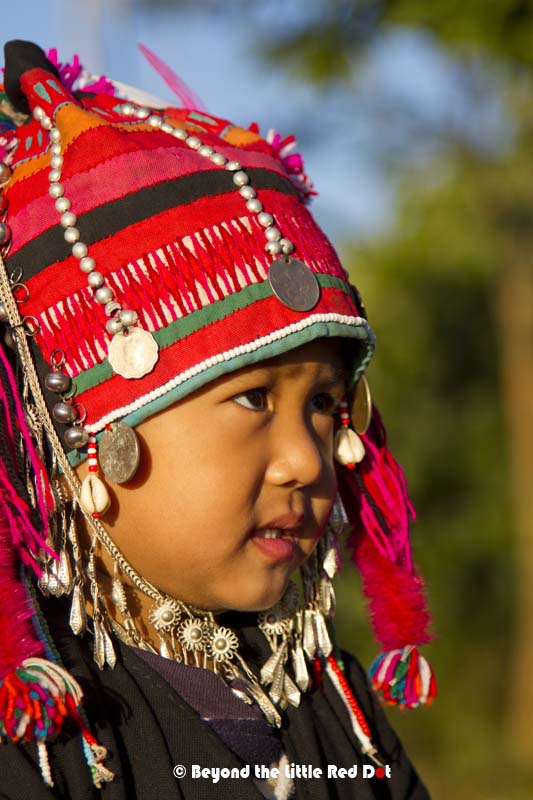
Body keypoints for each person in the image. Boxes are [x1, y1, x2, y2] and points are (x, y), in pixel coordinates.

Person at [0, 40, 436, 799]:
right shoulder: (40, 735)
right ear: (80, 440)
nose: (307, 460)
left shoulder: (338, 705)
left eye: (326, 405)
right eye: (252, 398)